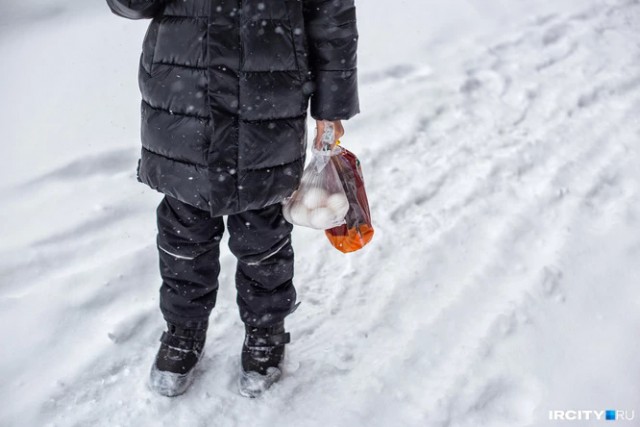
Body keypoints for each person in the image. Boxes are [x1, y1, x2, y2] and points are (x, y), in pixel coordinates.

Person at [106, 0, 360, 397]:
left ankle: (266, 332)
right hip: (184, 97)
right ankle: (183, 331)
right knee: (183, 236)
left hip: (268, 96)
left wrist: (332, 107)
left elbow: (332, 14)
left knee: (264, 237)